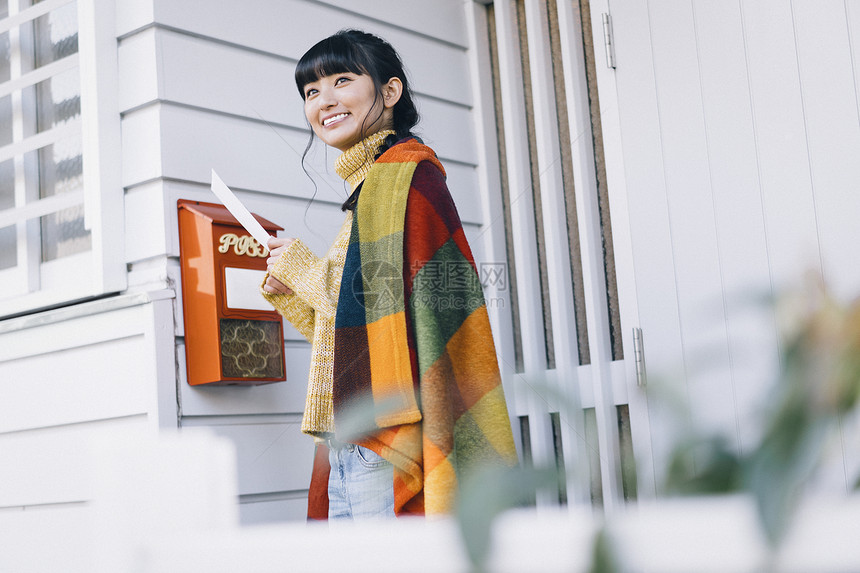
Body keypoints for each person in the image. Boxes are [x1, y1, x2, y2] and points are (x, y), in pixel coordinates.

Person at [261, 29, 517, 520]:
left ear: (390, 91)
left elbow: (380, 305)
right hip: (346, 442)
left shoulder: (404, 178)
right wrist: (294, 290)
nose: (325, 101)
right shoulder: (366, 194)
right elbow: (360, 335)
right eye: (311, 91)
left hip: (385, 445)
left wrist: (304, 267)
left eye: (341, 80)